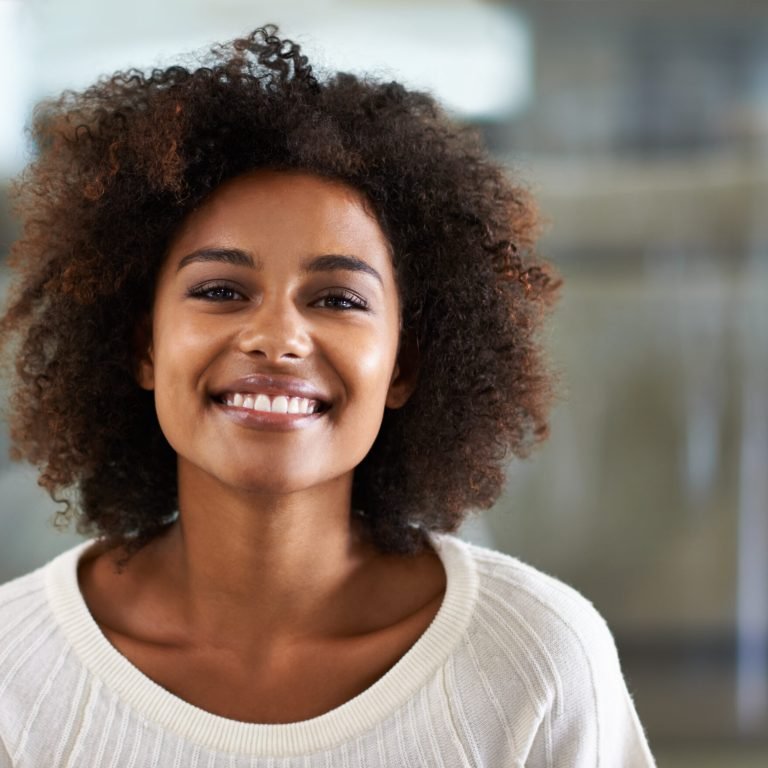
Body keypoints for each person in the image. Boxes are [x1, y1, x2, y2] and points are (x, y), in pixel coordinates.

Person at [0, 26, 656, 767]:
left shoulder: (537, 661)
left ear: (403, 366)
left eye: (338, 299)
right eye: (220, 289)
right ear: (143, 346)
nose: (277, 338)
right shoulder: (13, 675)